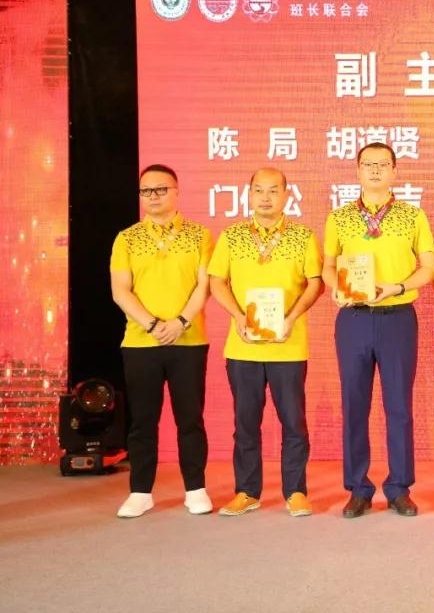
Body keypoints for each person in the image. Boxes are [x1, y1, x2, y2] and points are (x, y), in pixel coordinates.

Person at [323, 142, 434, 518]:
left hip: (397, 317)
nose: (375, 170)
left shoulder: (413, 216)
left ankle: (399, 487)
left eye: (382, 164)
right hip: (353, 319)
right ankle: (358, 488)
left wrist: (397, 287)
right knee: (355, 405)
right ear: (357, 170)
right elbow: (327, 266)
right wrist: (336, 287)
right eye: (367, 164)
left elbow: (428, 268)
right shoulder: (339, 217)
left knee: (399, 406)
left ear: (394, 171)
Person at [208, 168, 323, 517]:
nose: (266, 197)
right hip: (243, 346)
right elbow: (217, 282)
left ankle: (296, 491)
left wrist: (292, 317)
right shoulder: (231, 236)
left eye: (273, 190)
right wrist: (238, 316)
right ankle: (247, 491)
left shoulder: (303, 236)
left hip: (288, 345)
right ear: (249, 194)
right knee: (245, 423)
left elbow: (315, 283)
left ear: (287, 195)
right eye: (259, 190)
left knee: (293, 422)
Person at [109, 164, 212, 518]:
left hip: (189, 341)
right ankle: (140, 492)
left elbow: (204, 285)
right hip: (141, 344)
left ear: (176, 191)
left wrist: (181, 322)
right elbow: (121, 291)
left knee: (190, 419)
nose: (153, 196)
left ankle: (195, 488)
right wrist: (153, 325)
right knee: (143, 421)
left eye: (160, 189)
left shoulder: (199, 235)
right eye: (146, 191)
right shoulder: (127, 238)